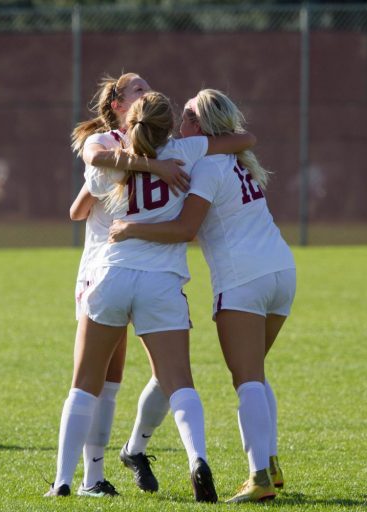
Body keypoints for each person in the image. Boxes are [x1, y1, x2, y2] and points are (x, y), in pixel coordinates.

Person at [46, 90, 256, 502]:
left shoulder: (114, 157)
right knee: (179, 382)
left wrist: (134, 156)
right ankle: (197, 458)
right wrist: (162, 162)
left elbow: (83, 200)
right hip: (161, 280)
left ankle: (64, 481)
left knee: (84, 385)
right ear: (169, 124)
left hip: (112, 273)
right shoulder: (185, 150)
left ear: (130, 123)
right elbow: (242, 140)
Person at [108, 89, 296, 503]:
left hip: (244, 279)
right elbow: (245, 141)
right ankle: (272, 464)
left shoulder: (207, 165)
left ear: (200, 124)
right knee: (257, 374)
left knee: (246, 380)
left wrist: (130, 228)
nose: (181, 120)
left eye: (188, 113)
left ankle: (259, 476)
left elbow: (184, 230)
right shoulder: (233, 159)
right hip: (282, 271)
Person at [53, 73, 189, 498]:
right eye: (137, 90)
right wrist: (154, 167)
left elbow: (78, 208)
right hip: (104, 267)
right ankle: (84, 478)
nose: (146, 93)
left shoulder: (142, 143)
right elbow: (85, 188)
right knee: (97, 379)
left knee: (110, 380)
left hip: (125, 268)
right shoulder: (109, 142)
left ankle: (90, 478)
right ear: (116, 104)